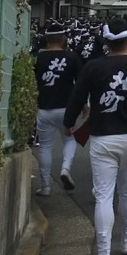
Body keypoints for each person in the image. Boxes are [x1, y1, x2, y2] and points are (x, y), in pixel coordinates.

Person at [63, 16, 127, 255]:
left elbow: (77, 97)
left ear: (105, 40)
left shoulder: (93, 67)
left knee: (103, 196)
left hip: (102, 137)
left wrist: (69, 123)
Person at [33, 18, 83, 196]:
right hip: (66, 108)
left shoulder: (39, 58)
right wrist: (84, 104)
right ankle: (65, 169)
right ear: (63, 39)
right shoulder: (71, 57)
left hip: (44, 107)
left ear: (47, 40)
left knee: (45, 146)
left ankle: (45, 187)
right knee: (70, 139)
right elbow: (80, 83)